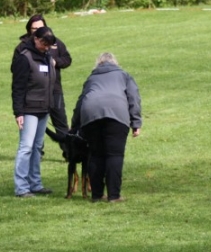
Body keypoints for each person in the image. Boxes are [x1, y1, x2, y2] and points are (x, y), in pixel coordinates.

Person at [71, 52, 142, 202]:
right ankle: (114, 196)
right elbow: (133, 98)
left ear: (98, 64)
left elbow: (81, 101)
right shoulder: (124, 75)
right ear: (115, 63)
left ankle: (96, 195)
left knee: (96, 155)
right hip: (117, 115)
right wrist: (136, 123)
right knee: (114, 155)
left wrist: (75, 126)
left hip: (91, 115)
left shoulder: (91, 78)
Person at [11, 26, 58, 197]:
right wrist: (19, 113)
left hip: (44, 109)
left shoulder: (46, 56)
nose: (46, 48)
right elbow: (18, 87)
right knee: (26, 147)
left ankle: (35, 183)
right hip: (29, 109)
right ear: (36, 39)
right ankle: (21, 187)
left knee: (38, 147)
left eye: (49, 46)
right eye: (44, 44)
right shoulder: (24, 58)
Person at [13, 14, 72, 139]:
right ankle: (38, 153)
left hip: (54, 90)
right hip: (34, 94)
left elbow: (67, 59)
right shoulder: (23, 47)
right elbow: (15, 68)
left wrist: (56, 62)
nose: (37, 31)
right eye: (34, 29)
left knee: (61, 121)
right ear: (29, 29)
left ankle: (68, 151)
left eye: (40, 27)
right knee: (35, 129)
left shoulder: (56, 43)